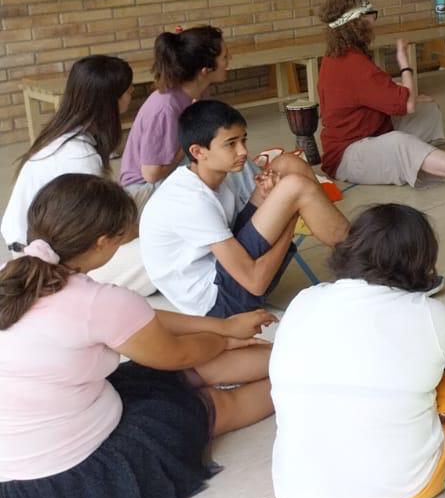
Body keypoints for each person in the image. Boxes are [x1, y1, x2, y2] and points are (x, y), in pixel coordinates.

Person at [0, 174, 275, 498]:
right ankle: (304, 372)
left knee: (171, 376)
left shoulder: (15, 278)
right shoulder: (98, 301)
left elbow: (138, 320)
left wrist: (222, 328)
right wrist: (222, 339)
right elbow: (177, 354)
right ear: (102, 242)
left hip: (16, 469)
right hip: (66, 478)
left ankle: (294, 363)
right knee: (212, 403)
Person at [270, 205, 445, 498]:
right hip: (405, 487)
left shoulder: (304, 300)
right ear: (421, 261)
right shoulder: (431, 315)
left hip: (295, 491)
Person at [140, 100, 350, 318]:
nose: (243, 151)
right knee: (294, 187)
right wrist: (290, 216)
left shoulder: (212, 173)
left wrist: (266, 196)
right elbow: (255, 282)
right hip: (218, 302)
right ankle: (363, 261)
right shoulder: (190, 201)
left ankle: (354, 255)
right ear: (198, 152)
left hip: (224, 265)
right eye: (231, 144)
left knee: (288, 164)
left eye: (243, 140)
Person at [317, 0, 445, 192]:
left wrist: (414, 98)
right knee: (400, 142)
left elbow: (376, 93)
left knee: (427, 110)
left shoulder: (341, 56)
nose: (373, 22)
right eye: (370, 16)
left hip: (372, 133)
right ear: (357, 23)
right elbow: (407, 105)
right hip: (347, 156)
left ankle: (422, 159)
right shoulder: (352, 63)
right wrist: (404, 63)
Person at [3, 55, 153, 294]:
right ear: (110, 101)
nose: (131, 94)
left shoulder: (63, 134)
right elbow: (90, 232)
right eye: (128, 91)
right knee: (161, 251)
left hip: (48, 239)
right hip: (48, 258)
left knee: (148, 195)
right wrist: (139, 231)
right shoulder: (80, 157)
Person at [120, 26, 231, 195]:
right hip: (143, 190)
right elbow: (151, 174)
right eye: (225, 57)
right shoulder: (165, 108)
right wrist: (189, 143)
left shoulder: (200, 91)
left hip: (169, 176)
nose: (229, 60)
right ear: (205, 70)